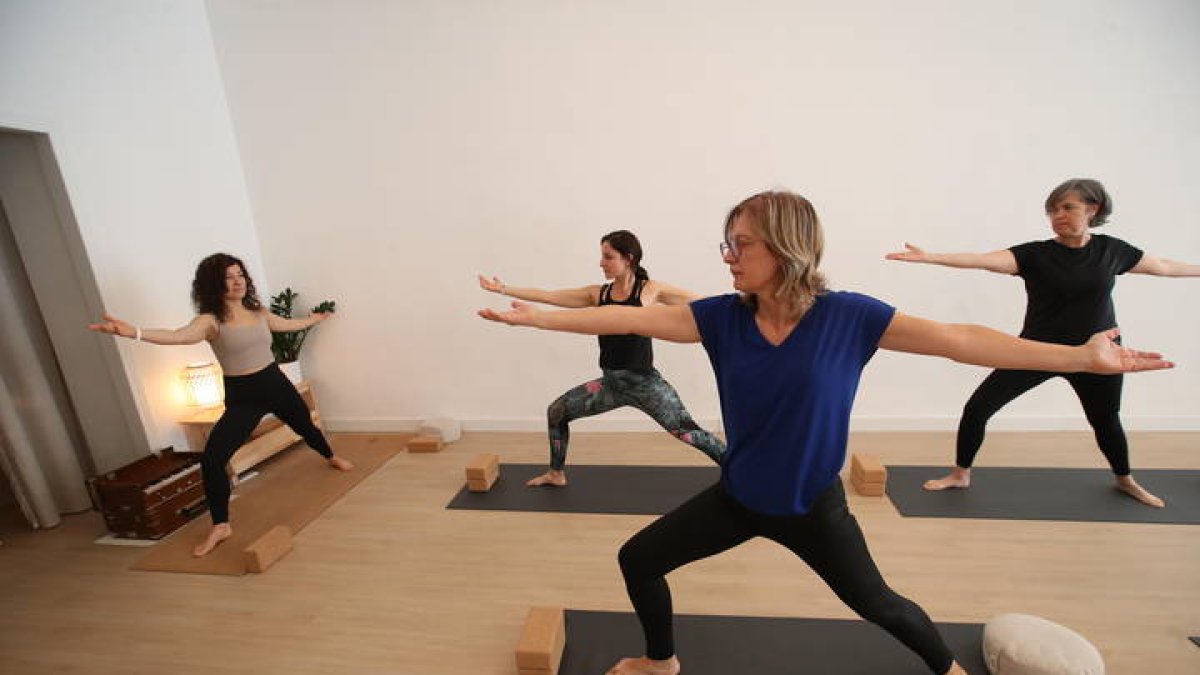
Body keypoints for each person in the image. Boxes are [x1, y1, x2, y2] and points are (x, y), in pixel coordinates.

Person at [479, 190, 1172, 675]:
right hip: (739, 495)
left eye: (739, 242)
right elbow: (624, 320)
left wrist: (1081, 357)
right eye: (727, 242)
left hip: (815, 507)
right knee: (638, 558)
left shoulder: (849, 317)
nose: (727, 254)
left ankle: (947, 667)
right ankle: (663, 658)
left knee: (883, 605)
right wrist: (538, 318)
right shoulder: (719, 316)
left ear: (783, 245)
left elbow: (962, 339)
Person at [886, 178, 1199, 508]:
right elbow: (982, 259)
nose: (1058, 215)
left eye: (1068, 207)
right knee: (978, 408)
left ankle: (1125, 479)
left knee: (1106, 419)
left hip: (1098, 355)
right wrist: (931, 258)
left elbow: (1164, 267)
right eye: (1053, 210)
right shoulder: (1035, 254)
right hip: (1037, 352)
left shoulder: (1112, 251)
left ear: (1093, 209)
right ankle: (960, 473)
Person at [88, 253, 354, 557]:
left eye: (240, 274)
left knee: (305, 425)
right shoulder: (210, 320)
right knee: (212, 459)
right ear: (214, 283)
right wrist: (133, 332)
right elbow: (178, 337)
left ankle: (330, 455)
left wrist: (313, 320)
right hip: (243, 396)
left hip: (274, 383)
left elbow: (284, 324)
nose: (238, 281)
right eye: (229, 277)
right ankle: (221, 525)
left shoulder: (257, 311)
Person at [478, 230, 724, 487]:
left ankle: (738, 471)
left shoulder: (650, 290)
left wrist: (742, 309)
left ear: (628, 259)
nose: (601, 263)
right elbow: (549, 295)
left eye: (608, 257)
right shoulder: (598, 294)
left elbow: (700, 303)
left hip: (644, 384)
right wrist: (503, 289)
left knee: (688, 433)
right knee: (557, 412)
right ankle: (556, 473)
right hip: (610, 384)